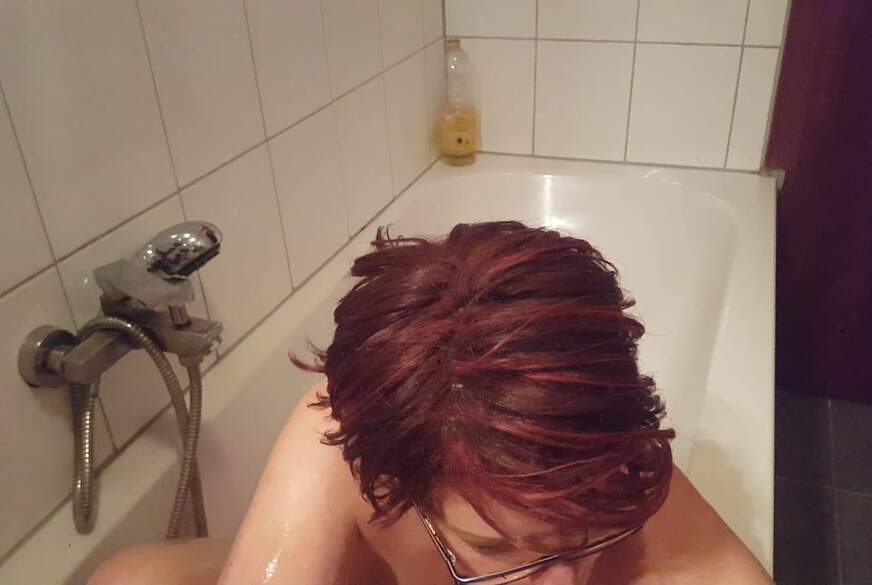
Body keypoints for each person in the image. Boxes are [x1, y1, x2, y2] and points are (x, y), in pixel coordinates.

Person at [91, 222, 773, 585]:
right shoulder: (340, 440)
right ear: (384, 480)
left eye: (580, 534)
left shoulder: (614, 470)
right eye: (493, 545)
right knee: (128, 578)